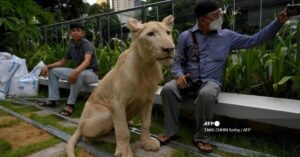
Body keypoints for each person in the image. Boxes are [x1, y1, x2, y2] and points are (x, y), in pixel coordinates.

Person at [156, 0, 289, 153]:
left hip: (211, 82)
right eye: (215, 15)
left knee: (206, 94)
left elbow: (255, 40)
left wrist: (278, 22)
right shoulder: (186, 36)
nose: (220, 17)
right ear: (202, 20)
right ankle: (170, 132)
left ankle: (202, 138)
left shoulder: (227, 36)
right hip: (188, 80)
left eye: (219, 13)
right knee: (168, 89)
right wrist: (179, 75)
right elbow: (177, 62)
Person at [40, 22, 99, 116]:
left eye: (78, 30)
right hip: (79, 72)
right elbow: (62, 62)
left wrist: (75, 72)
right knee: (53, 71)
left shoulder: (87, 44)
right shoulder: (72, 47)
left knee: (78, 74)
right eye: (73, 30)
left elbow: (87, 61)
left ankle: (70, 104)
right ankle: (53, 100)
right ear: (70, 33)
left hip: (91, 73)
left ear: (82, 33)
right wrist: (47, 66)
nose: (75, 32)